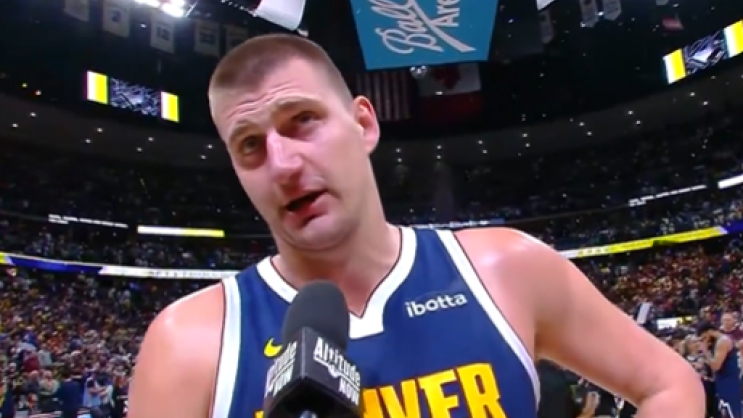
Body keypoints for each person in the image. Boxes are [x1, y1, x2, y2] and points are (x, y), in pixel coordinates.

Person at [128, 34, 704, 418]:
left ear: (363, 124)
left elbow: (669, 385)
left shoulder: (506, 267)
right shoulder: (189, 342)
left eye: (302, 121)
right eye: (250, 145)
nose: (282, 164)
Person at [698, 322, 742, 418]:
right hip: (726, 383)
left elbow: (716, 366)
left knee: (733, 413)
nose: (704, 341)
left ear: (708, 332)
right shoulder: (723, 340)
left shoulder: (722, 341)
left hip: (729, 384)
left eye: (703, 338)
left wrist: (705, 351)